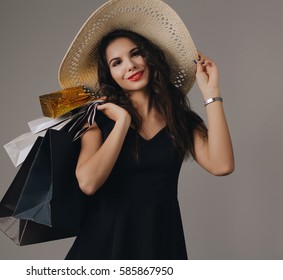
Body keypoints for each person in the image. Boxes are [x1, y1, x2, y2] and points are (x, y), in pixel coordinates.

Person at [58, 0, 234, 259]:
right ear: (110, 75)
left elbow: (222, 165)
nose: (129, 65)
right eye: (116, 62)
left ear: (150, 57)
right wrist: (122, 123)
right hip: (104, 248)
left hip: (161, 243)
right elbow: (88, 183)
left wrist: (211, 93)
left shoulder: (181, 120)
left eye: (136, 53)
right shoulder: (97, 120)